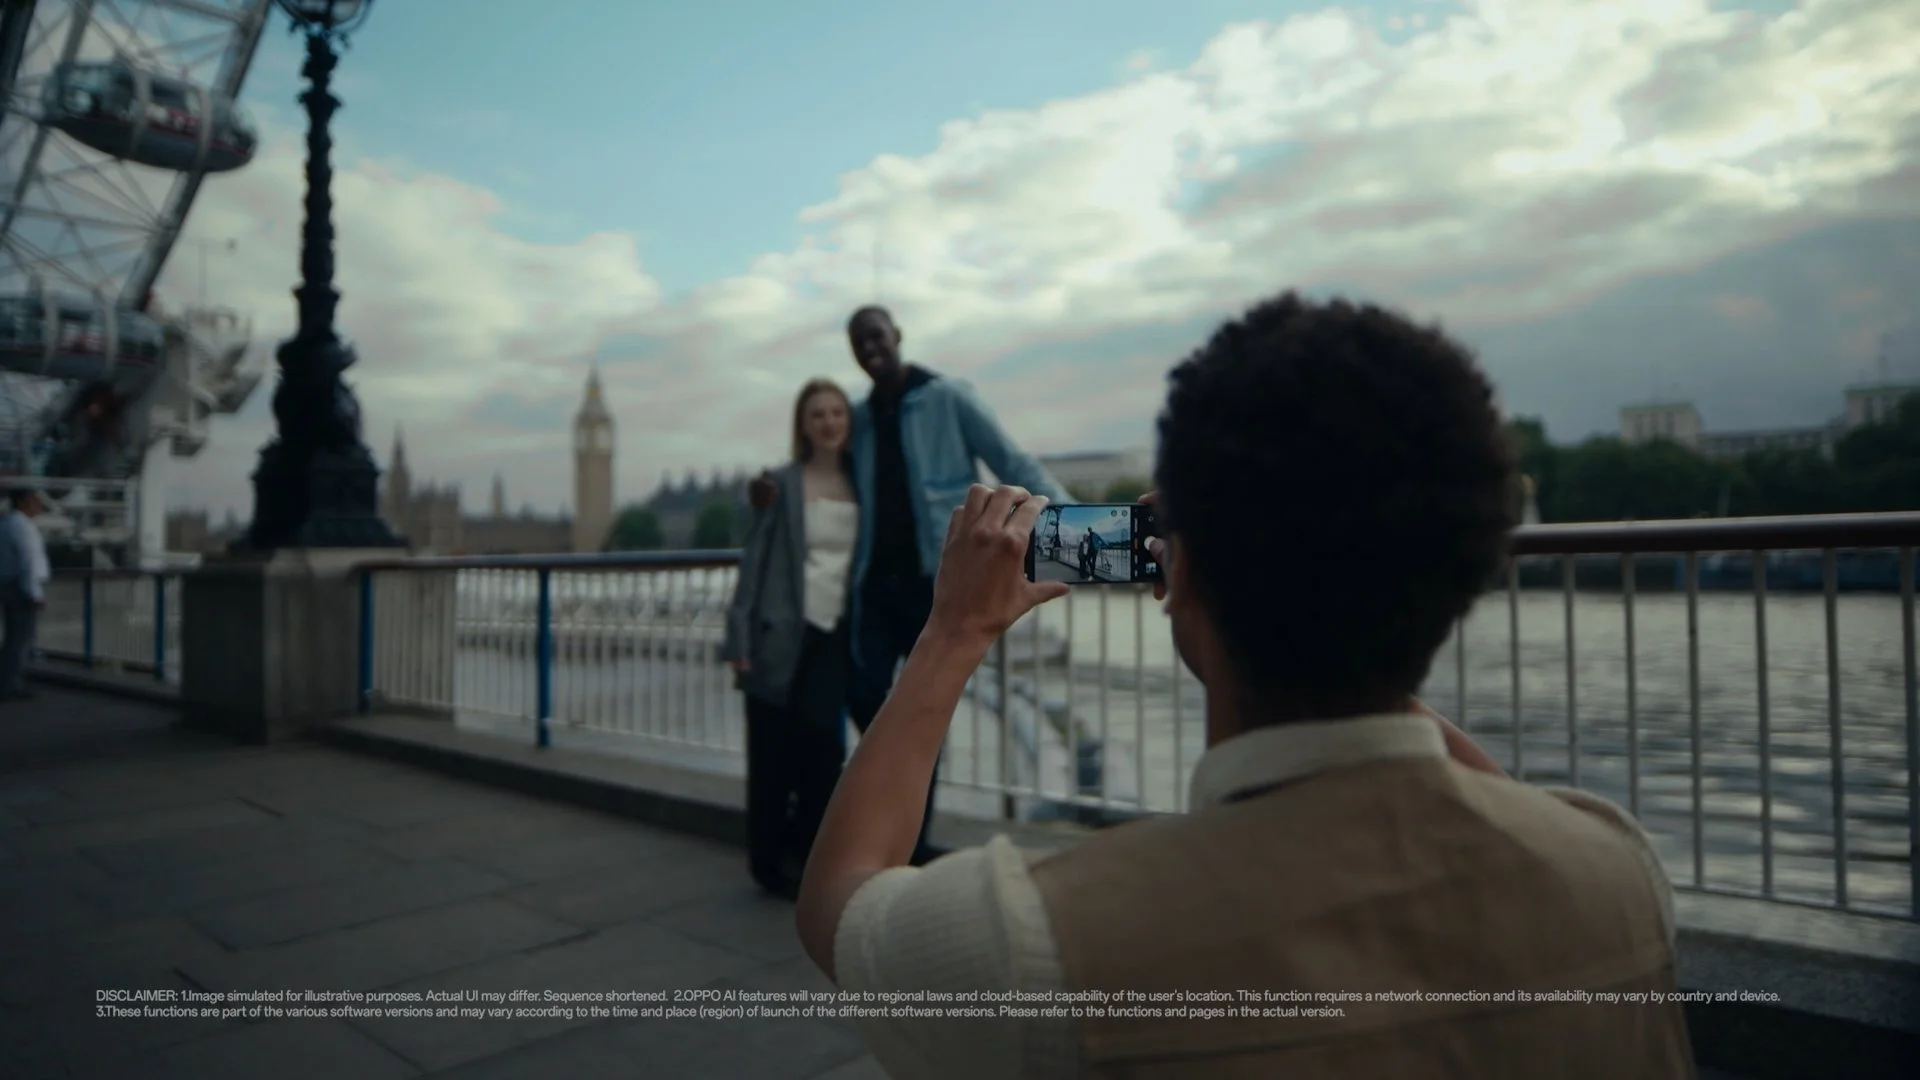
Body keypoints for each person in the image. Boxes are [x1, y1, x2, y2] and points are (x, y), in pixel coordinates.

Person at [796, 293, 1693, 1078]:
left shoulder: (1036, 945)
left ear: (1180, 580)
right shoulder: (1616, 872)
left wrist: (955, 629)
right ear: (1461, 570)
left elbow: (841, 895)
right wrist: (1358, 619)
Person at [757, 305, 1067, 866]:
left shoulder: (949, 397)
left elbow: (1011, 460)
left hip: (937, 582)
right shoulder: (860, 419)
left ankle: (909, 847)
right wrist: (768, 488)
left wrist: (1074, 533)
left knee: (927, 704)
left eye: (876, 336)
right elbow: (816, 461)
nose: (869, 348)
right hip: (875, 589)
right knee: (869, 701)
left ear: (896, 336)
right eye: (858, 342)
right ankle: (880, 833)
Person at [721, 380, 860, 899]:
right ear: (803, 425)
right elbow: (753, 564)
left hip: (833, 635)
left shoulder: (861, 483)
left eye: (836, 412)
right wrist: (738, 636)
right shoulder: (780, 484)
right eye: (817, 414)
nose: (828, 421)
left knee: (824, 754)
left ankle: (808, 853)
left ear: (848, 422)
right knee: (771, 757)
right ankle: (767, 864)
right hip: (780, 633)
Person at [0, 484, 51, 702]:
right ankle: (10, 685)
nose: (39, 505)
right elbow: (28, 563)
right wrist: (35, 593)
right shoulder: (21, 526)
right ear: (22, 502)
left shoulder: (8, 523)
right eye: (34, 500)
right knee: (20, 639)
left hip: (10, 585)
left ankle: (8, 682)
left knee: (14, 637)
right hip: (19, 588)